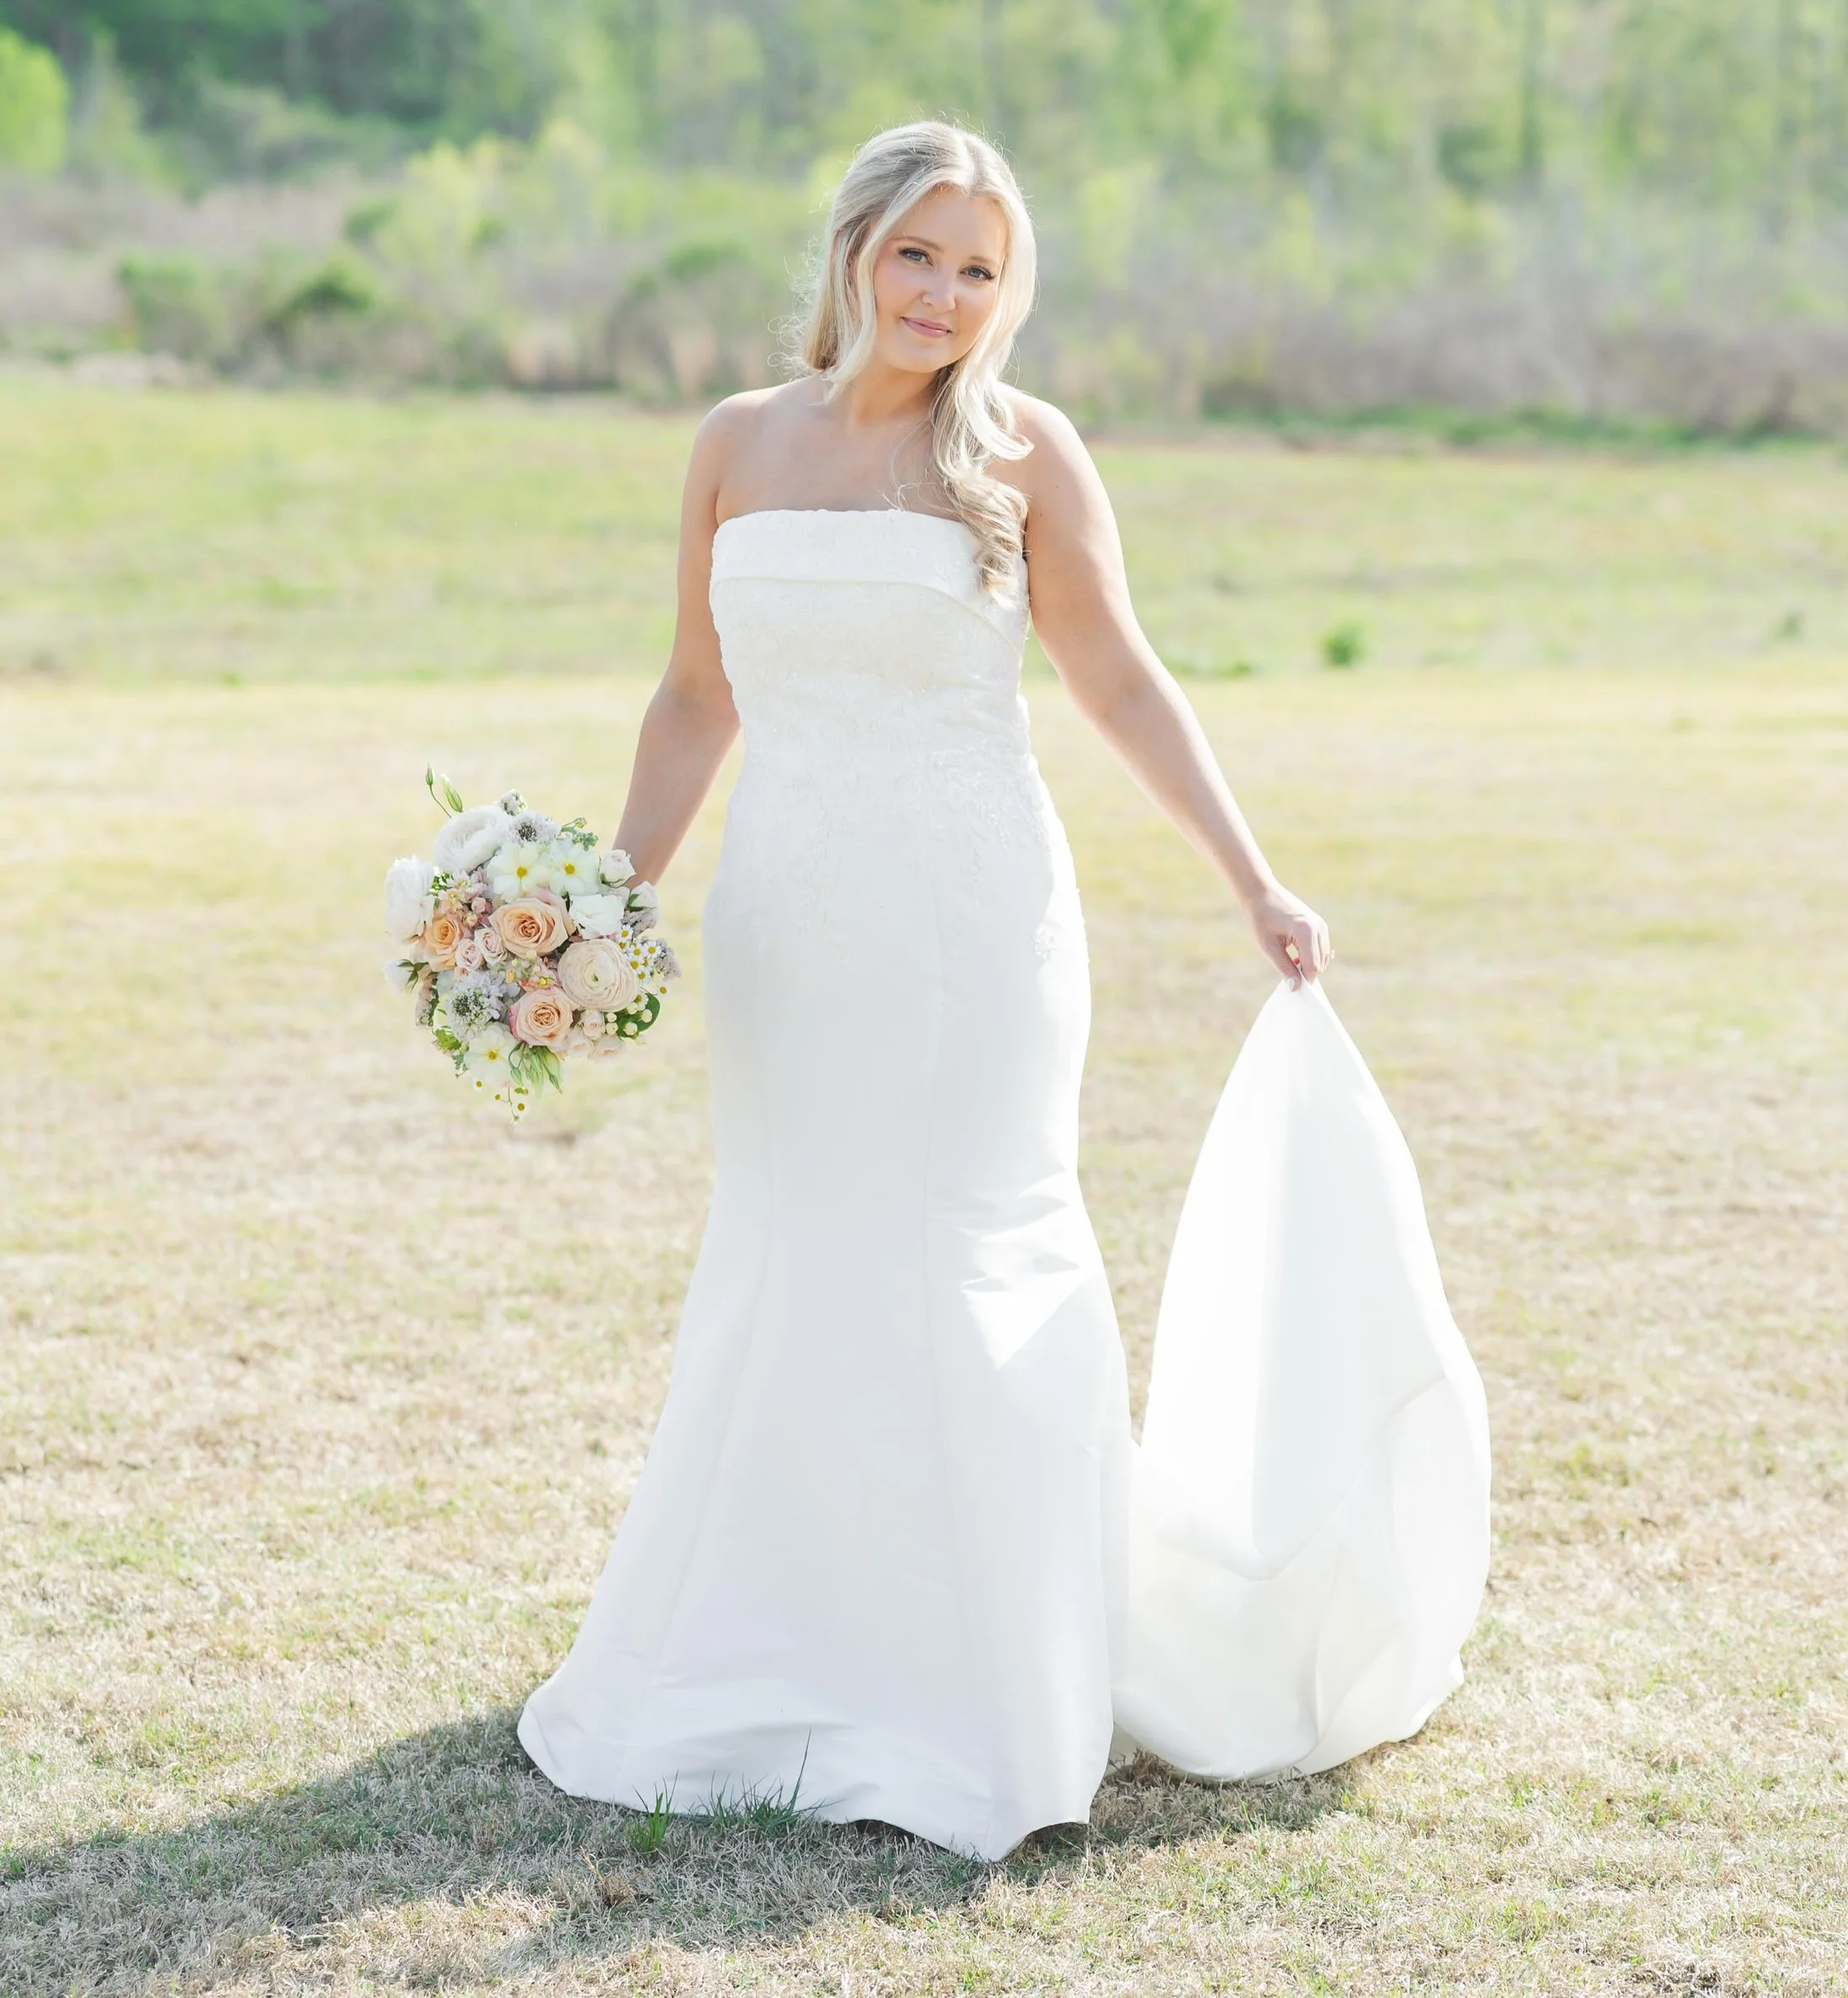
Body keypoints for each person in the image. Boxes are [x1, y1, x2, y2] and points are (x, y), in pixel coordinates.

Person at [518, 121, 1486, 1858]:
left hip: (973, 924)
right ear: (850, 252)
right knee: (796, 1247)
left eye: (977, 269)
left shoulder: (1022, 454)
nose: (943, 296)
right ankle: (786, 1650)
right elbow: (690, 698)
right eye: (916, 256)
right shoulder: (736, 444)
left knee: (971, 1251)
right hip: (788, 925)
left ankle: (992, 1683)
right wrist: (597, 907)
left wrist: (1249, 874)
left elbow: (1113, 675)